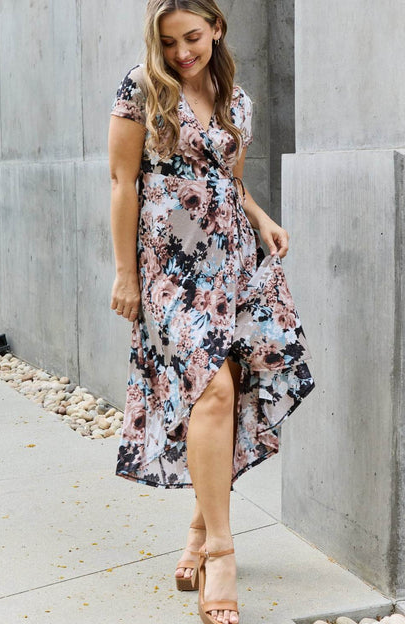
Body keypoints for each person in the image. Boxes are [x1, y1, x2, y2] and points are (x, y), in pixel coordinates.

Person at [108, 1, 314, 623]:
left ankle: (201, 528)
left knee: (234, 391)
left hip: (232, 261)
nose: (182, 53)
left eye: (192, 38)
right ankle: (222, 551)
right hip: (169, 267)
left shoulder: (236, 99)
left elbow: (230, 180)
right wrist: (126, 273)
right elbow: (122, 182)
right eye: (170, 42)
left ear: (217, 29)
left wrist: (262, 218)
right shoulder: (142, 87)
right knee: (211, 390)